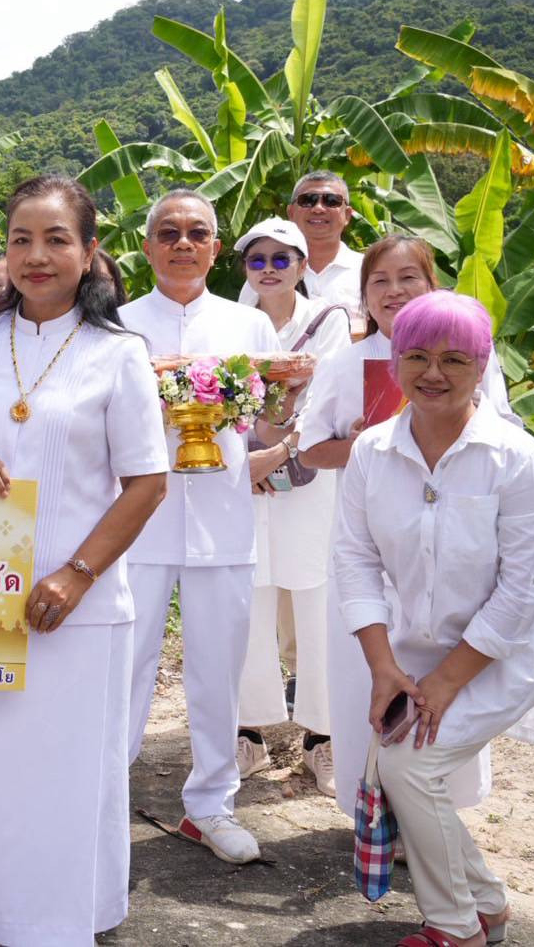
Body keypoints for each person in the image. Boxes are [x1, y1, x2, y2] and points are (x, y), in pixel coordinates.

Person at [0, 174, 168, 944]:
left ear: (89, 252)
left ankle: (57, 922)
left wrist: (75, 574)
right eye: (20, 239)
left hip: (76, 610)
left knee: (63, 774)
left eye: (56, 239)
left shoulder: (118, 354)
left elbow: (147, 482)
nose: (36, 255)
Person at [334, 291, 534, 947]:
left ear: (481, 366)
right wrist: (383, 666)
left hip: (504, 650)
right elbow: (354, 560)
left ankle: (455, 927)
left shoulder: (515, 457)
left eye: (454, 359)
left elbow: (523, 589)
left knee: (411, 767)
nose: (432, 372)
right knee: (400, 764)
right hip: (414, 649)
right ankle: (486, 905)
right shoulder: (371, 452)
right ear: (394, 362)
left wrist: (445, 682)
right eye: (415, 356)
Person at [296, 234, 519, 816]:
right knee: (363, 679)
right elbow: (311, 448)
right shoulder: (346, 363)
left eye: (408, 278)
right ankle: (373, 812)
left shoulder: (474, 354)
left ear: (432, 284)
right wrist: (377, 446)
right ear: (364, 296)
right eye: (380, 281)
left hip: (453, 546)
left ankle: (437, 814)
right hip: (370, 549)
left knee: (444, 673)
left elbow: (502, 436)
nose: (394, 291)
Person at [119, 188, 284, 866]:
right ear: (147, 246)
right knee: (124, 665)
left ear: (216, 249)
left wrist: (286, 410)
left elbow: (269, 421)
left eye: (196, 233)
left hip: (222, 517)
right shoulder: (118, 325)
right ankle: (101, 795)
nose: (182, 243)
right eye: (168, 232)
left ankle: (212, 803)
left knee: (217, 670)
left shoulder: (249, 327)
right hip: (137, 521)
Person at [230, 218, 352, 796]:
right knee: (248, 603)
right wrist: (242, 463)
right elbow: (220, 403)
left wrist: (275, 453)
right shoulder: (232, 323)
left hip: (308, 483)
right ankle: (248, 733)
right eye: (258, 260)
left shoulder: (327, 322)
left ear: (303, 266)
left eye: (283, 259)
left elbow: (327, 400)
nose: (270, 269)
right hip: (244, 483)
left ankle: (322, 739)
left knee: (315, 602)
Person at [241, 171, 364, 328]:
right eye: (307, 200)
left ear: (347, 215)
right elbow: (246, 329)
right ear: (291, 212)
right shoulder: (263, 275)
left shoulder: (367, 270)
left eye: (331, 201)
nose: (318, 209)